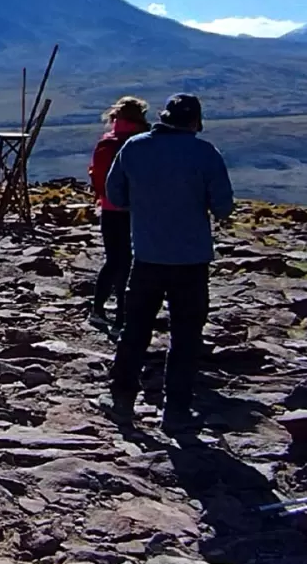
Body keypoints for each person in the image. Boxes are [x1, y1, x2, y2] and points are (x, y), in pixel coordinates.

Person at [99, 93, 234, 434]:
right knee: (186, 337)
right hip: (192, 260)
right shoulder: (205, 153)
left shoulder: (134, 148)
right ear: (195, 122)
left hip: (147, 255)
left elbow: (115, 196)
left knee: (135, 331)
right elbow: (223, 206)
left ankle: (123, 402)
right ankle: (175, 412)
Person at [88, 96, 150, 335]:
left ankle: (100, 309)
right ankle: (121, 316)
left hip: (111, 209)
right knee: (129, 263)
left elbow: (99, 180)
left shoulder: (108, 144)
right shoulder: (141, 143)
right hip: (137, 210)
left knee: (116, 260)